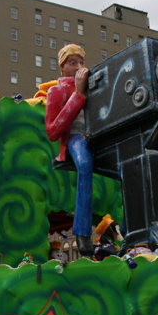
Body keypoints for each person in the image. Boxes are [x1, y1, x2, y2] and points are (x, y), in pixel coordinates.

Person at [45, 44, 93, 256]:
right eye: (73, 63)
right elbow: (53, 131)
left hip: (95, 136)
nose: (78, 67)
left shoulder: (95, 87)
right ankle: (82, 233)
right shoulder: (57, 91)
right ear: (63, 67)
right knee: (84, 163)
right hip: (74, 138)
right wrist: (78, 95)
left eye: (81, 63)